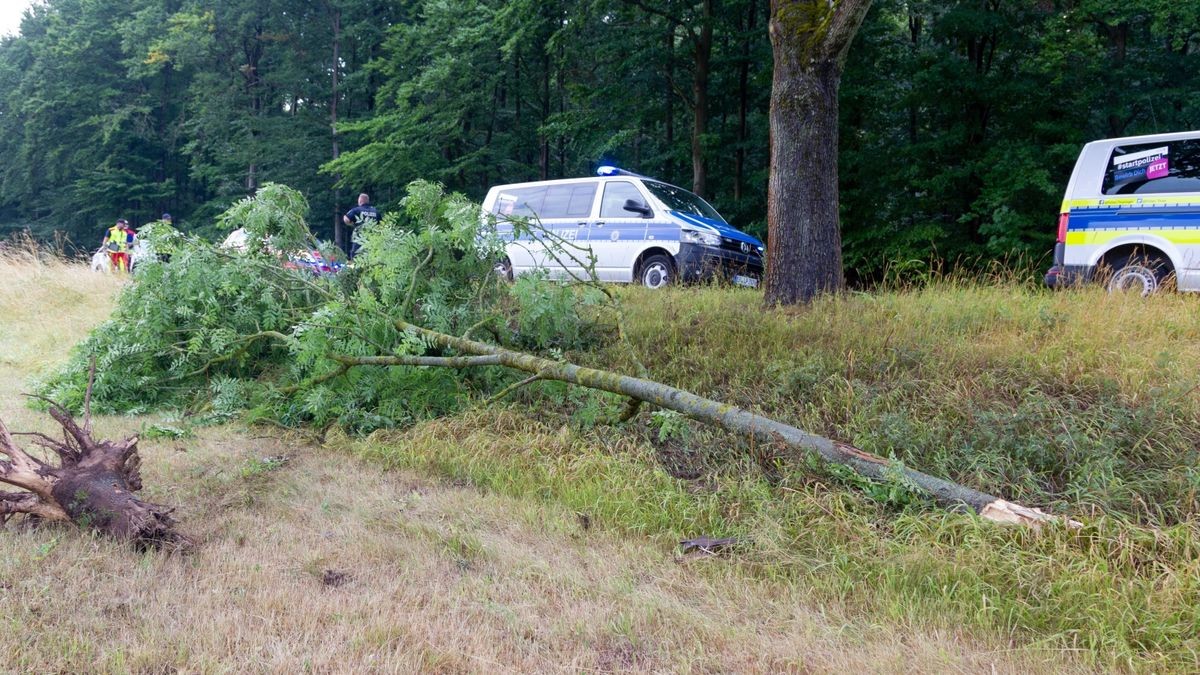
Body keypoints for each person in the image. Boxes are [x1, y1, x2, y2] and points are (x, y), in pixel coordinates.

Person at [342, 192, 380, 259]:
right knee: (372, 256)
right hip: (373, 239)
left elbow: (346, 219)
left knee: (356, 255)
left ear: (360, 201)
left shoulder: (356, 210)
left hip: (360, 238)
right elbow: (381, 224)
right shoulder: (375, 211)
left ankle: (355, 269)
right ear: (368, 201)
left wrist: (352, 225)